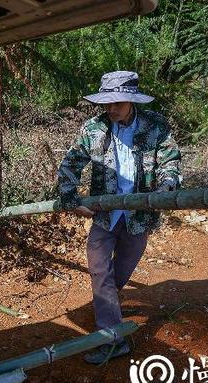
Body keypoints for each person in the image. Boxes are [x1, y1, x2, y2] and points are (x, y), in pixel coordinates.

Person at [57, 71, 182, 365]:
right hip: (104, 216)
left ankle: (106, 311)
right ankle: (112, 340)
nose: (111, 109)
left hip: (139, 217)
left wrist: (165, 189)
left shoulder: (155, 127)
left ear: (131, 100)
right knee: (100, 270)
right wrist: (70, 197)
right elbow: (71, 163)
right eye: (107, 104)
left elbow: (170, 163)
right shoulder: (93, 129)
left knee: (117, 277)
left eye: (117, 103)